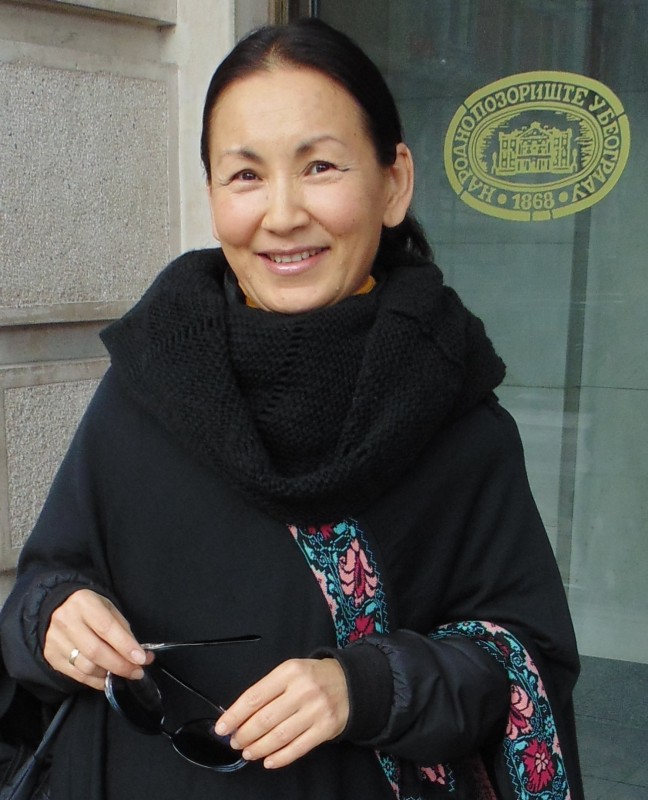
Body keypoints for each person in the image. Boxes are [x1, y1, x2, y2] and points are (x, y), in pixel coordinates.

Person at [0, 17, 584, 800]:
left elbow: (524, 661)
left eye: (320, 167)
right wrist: (55, 618)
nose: (281, 214)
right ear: (212, 194)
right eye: (245, 175)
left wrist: (366, 687)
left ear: (394, 183)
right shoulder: (147, 386)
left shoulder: (455, 423)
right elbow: (42, 587)